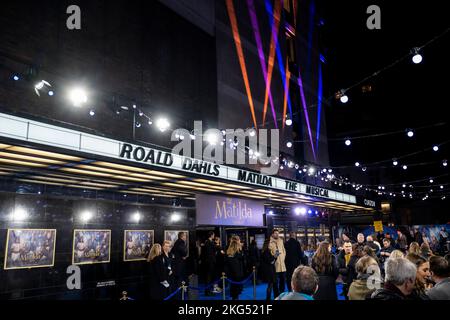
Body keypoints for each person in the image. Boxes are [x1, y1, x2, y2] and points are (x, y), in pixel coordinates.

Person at [269, 229, 286, 298]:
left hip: (282, 265)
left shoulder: (281, 241)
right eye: (275, 233)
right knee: (275, 282)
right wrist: (274, 258)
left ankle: (282, 294)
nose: (277, 235)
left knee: (282, 281)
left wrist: (283, 258)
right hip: (275, 266)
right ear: (272, 234)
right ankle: (276, 295)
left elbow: (284, 250)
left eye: (278, 233)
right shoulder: (269, 242)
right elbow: (270, 254)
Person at [203, 231, 216, 296]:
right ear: (211, 235)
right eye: (213, 235)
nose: (214, 236)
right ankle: (207, 292)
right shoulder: (208, 243)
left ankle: (209, 291)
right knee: (208, 277)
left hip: (209, 262)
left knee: (209, 277)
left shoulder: (209, 242)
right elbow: (210, 252)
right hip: (209, 262)